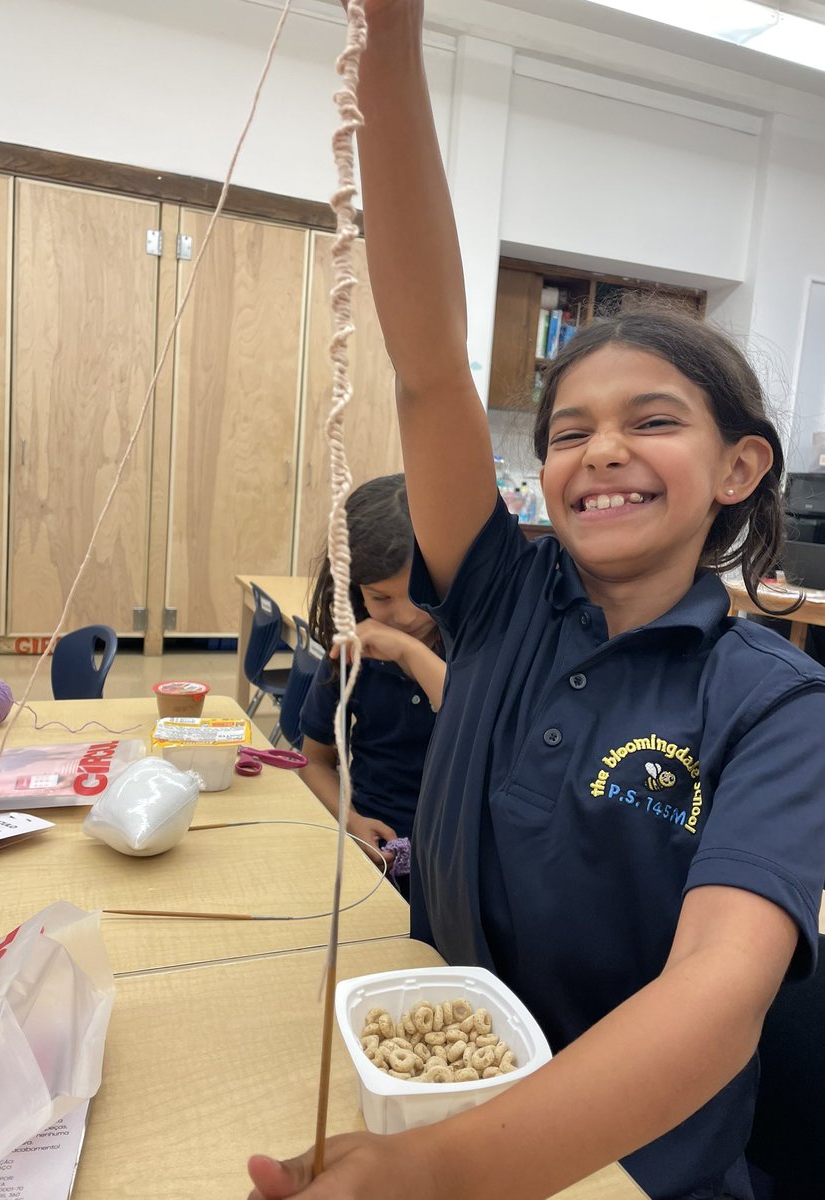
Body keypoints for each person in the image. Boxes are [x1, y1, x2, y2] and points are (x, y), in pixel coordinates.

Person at [247, 4, 825, 1199]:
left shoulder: (778, 706)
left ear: (738, 469)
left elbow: (713, 1007)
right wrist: (392, 41)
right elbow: (425, 363)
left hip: (635, 1167)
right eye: (571, 432)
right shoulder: (504, 599)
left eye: (652, 422)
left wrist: (435, 1171)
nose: (601, 451)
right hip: (435, 1094)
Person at [298, 473, 445, 890]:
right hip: (372, 848)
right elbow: (313, 759)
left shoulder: (478, 646)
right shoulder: (351, 653)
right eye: (380, 597)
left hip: (457, 855)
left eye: (422, 592)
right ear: (353, 590)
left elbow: (477, 727)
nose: (407, 616)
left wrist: (409, 652)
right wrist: (350, 820)